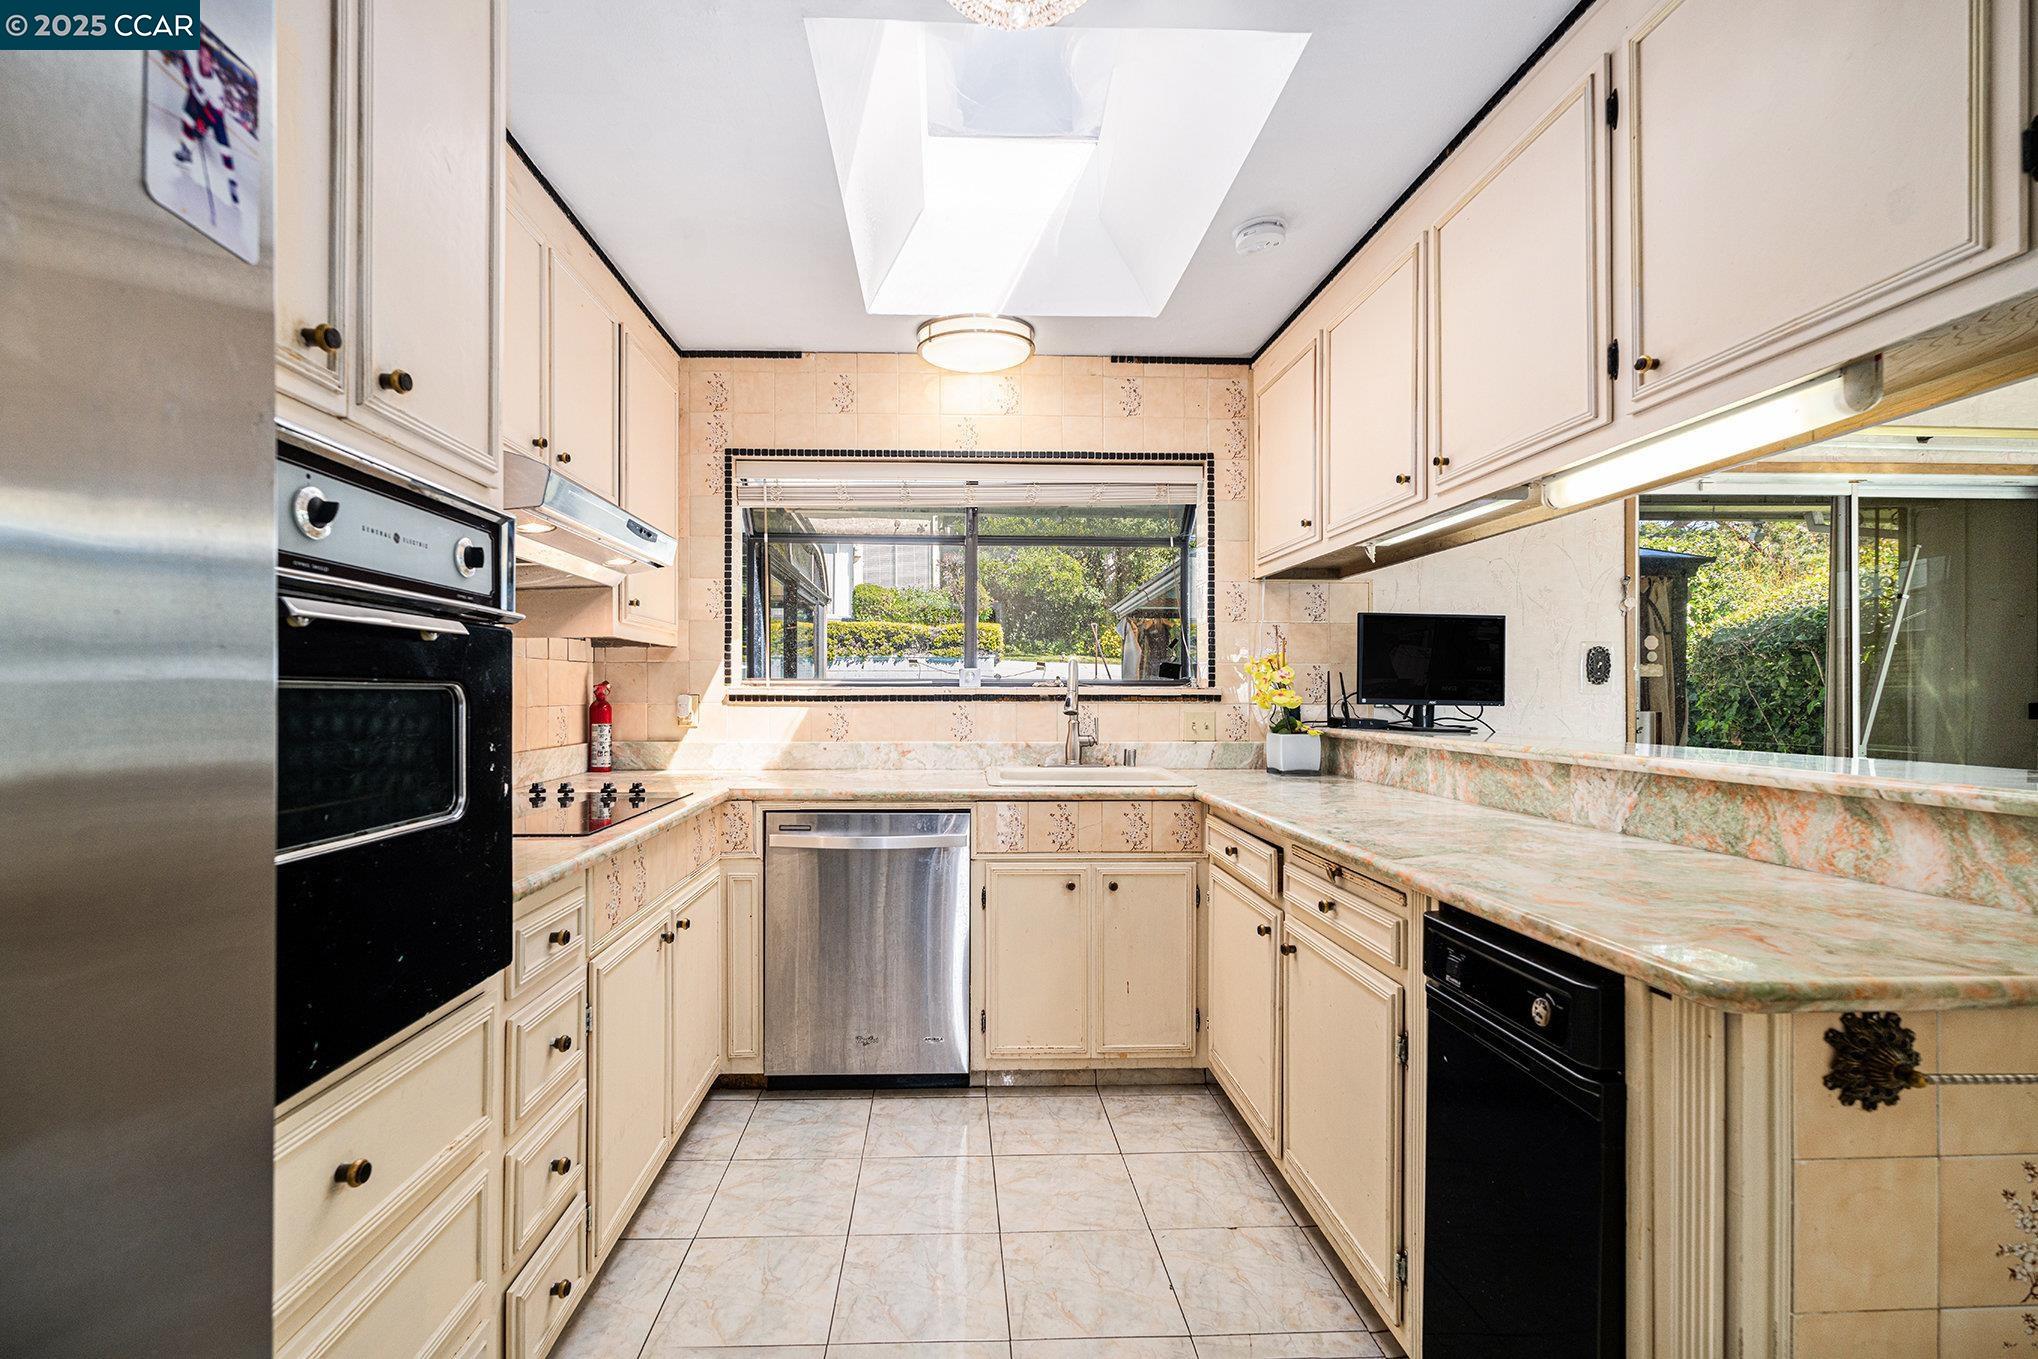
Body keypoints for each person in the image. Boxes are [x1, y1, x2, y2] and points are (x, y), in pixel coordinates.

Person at [170, 45, 238, 205]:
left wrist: (203, 124)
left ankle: (231, 181)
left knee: (224, 147)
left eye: (208, 58)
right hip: (196, 98)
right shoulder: (193, 56)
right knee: (187, 117)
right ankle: (186, 151)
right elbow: (181, 48)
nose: (204, 59)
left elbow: (214, 112)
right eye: (202, 55)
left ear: (212, 62)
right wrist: (183, 64)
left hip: (214, 112)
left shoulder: (216, 86)